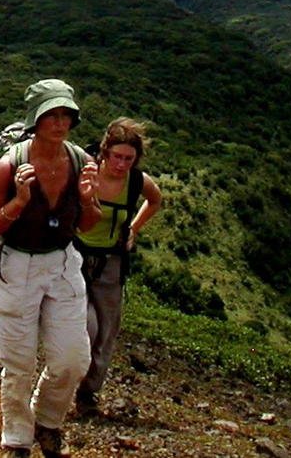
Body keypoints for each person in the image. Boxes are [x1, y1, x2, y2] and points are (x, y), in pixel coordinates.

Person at [0, 79, 101, 457]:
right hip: (15, 264)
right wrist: (19, 202)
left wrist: (88, 201)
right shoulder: (9, 166)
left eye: (66, 116)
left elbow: (87, 225)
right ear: (36, 120)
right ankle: (16, 437)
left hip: (61, 262)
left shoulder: (81, 163)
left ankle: (47, 420)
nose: (59, 124)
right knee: (19, 362)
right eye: (51, 115)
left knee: (73, 358)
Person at [73, 118, 163, 417]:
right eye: (117, 156)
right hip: (76, 256)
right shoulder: (86, 174)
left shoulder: (136, 182)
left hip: (111, 261)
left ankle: (88, 392)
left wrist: (134, 228)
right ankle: (67, 382)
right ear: (104, 152)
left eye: (128, 158)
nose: (122, 164)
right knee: (87, 325)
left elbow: (155, 200)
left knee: (107, 331)